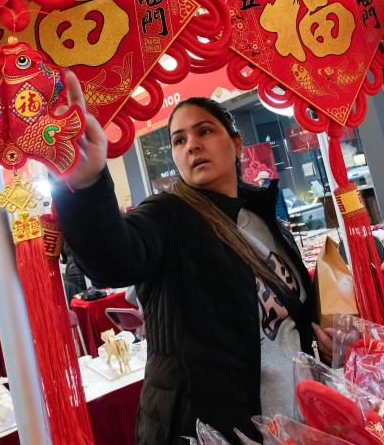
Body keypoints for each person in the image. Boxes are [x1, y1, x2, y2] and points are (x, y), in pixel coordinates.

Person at [53, 75, 331, 444]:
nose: (192, 145)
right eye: (179, 140)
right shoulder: (167, 216)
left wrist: (322, 346)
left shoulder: (265, 219)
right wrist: (88, 185)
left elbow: (291, 319)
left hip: (297, 424)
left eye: (205, 131)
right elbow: (114, 258)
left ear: (237, 143)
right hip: (213, 430)